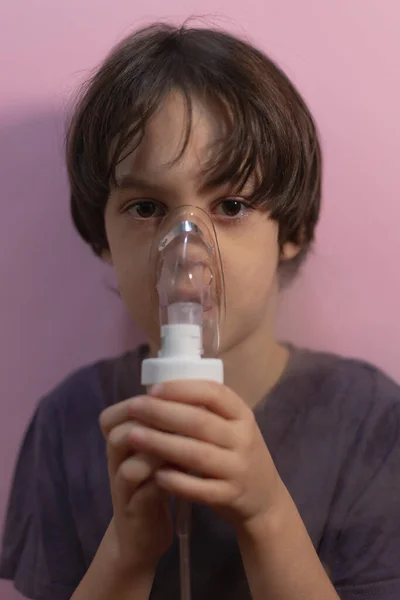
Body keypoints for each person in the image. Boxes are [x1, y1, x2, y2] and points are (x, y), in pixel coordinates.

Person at [1, 22, 399, 600]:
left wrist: (266, 516)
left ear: (291, 229)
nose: (185, 250)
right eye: (146, 207)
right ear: (102, 236)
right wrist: (127, 552)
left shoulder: (372, 427)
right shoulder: (68, 426)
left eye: (231, 205)